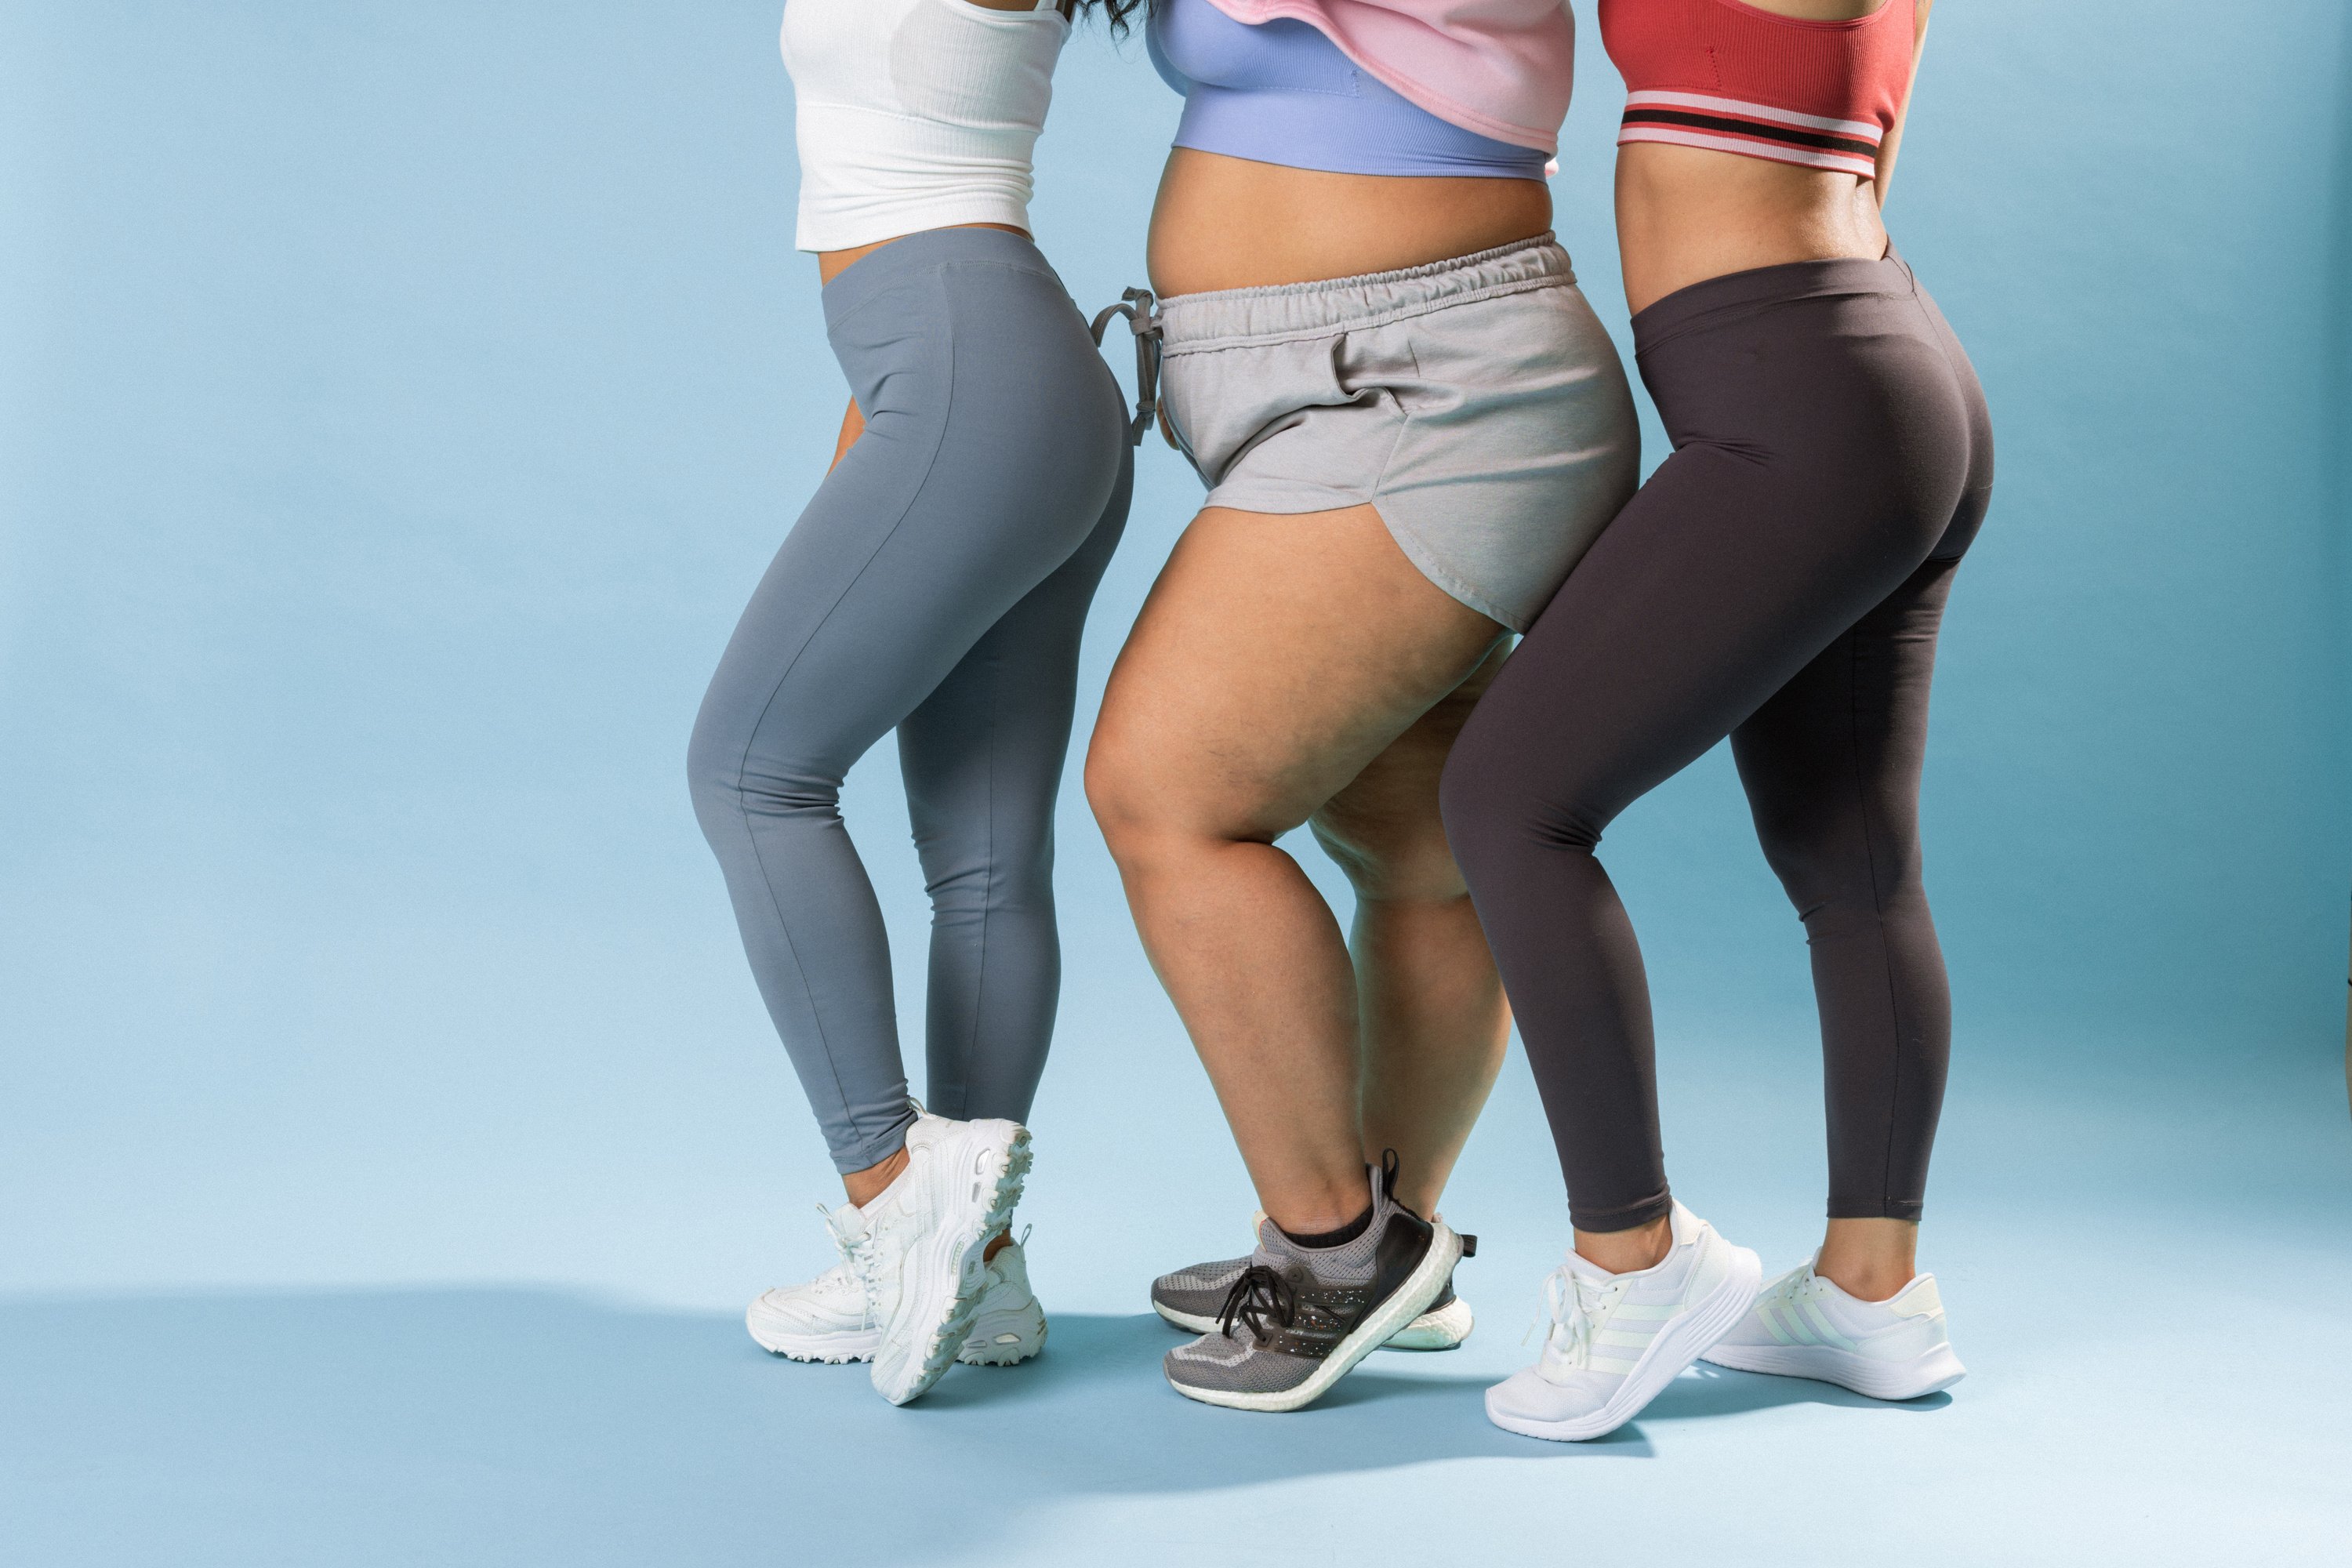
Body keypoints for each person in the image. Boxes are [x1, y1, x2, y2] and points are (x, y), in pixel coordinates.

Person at [1439, 0, 1991, 1442]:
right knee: (1849, 863)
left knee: (1511, 801)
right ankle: (1872, 1299)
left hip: (1801, 396)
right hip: (1866, 364)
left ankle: (1633, 1261)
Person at [1085, 0, 1640, 1410]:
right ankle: (1400, 1249)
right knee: (1416, 842)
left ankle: (1333, 1253)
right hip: (1341, 378)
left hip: (1424, 389)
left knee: (1171, 796)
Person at [685, 0, 1139, 1407]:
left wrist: (914, 417)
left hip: (968, 364)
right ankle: (981, 1270)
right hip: (975, 377)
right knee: (984, 861)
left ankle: (897, 1209)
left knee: (752, 772)